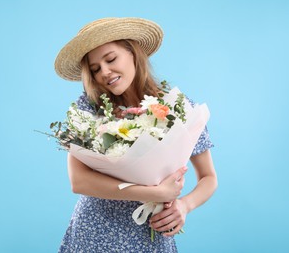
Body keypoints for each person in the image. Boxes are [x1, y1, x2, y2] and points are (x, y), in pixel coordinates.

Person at [54, 17, 218, 252]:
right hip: (95, 232)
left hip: (152, 233)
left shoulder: (177, 108)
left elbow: (209, 178)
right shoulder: (89, 108)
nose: (105, 72)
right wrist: (155, 193)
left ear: (133, 52)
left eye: (111, 59)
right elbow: (79, 181)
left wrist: (184, 206)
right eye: (95, 69)